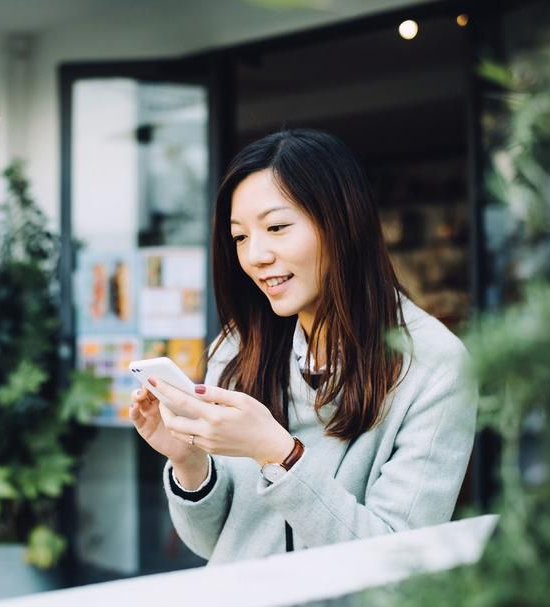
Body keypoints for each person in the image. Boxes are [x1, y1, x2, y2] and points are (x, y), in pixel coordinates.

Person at [129, 128, 477, 564]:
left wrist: (279, 455)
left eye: (276, 227)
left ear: (341, 223)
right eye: (240, 237)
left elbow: (395, 563)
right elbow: (214, 543)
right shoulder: (237, 348)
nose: (255, 255)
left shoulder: (433, 366)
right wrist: (189, 461)